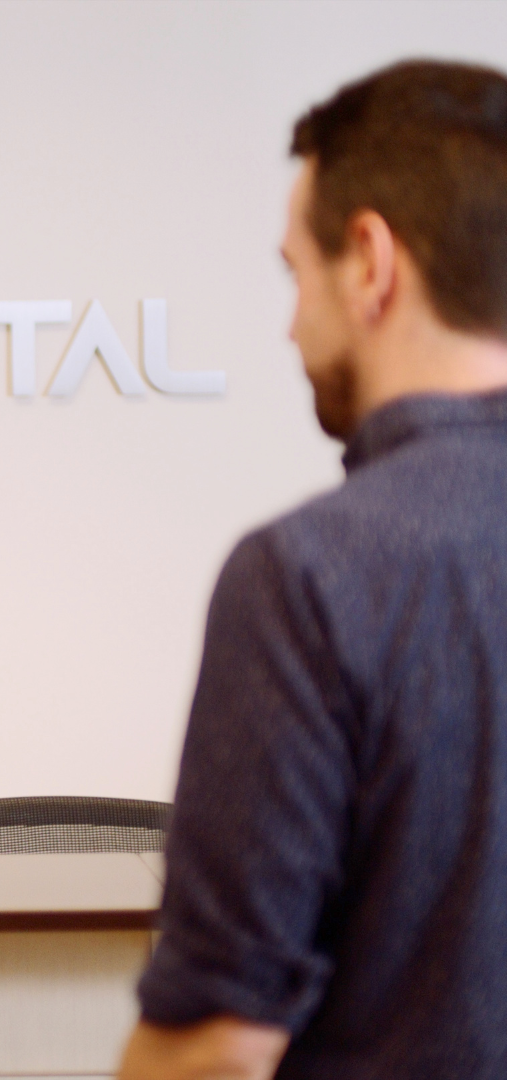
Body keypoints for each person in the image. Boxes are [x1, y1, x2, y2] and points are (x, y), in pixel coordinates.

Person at [116, 61, 507, 1079]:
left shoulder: (310, 576)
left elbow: (213, 1050)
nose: (290, 325)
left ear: (371, 262)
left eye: (296, 273)